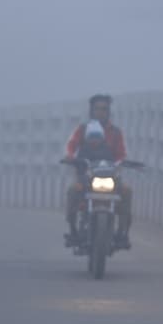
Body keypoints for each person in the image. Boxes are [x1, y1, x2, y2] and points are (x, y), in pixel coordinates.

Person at [64, 94, 132, 248]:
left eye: (104, 109)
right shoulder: (83, 129)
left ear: (109, 112)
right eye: (98, 109)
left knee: (127, 191)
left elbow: (121, 153)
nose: (101, 112)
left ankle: (123, 233)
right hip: (86, 176)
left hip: (111, 176)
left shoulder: (115, 132)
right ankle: (73, 230)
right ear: (91, 111)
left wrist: (122, 162)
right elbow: (72, 145)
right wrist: (69, 155)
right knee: (72, 191)